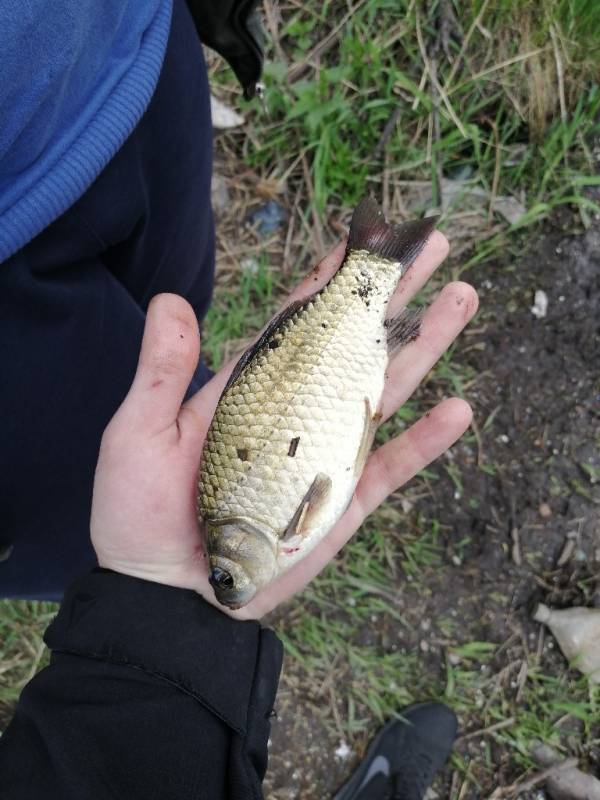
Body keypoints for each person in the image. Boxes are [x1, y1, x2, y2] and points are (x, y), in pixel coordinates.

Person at [0, 246, 478, 797]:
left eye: (222, 578)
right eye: (225, 577)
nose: (229, 588)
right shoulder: (253, 527)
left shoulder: (270, 530)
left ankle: (371, 262)